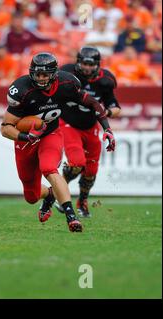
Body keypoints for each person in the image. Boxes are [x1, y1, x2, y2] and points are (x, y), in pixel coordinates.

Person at [0, 52, 116, 232]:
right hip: (24, 141)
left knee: (49, 169)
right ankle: (50, 194)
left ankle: (71, 216)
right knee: (31, 196)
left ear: (54, 73)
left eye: (45, 74)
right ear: (31, 72)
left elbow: (93, 103)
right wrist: (26, 136)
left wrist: (107, 128)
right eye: (37, 74)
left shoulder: (67, 83)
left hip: (50, 134)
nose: (41, 78)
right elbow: (6, 128)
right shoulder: (22, 89)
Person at [58, 46, 121, 217]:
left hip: (91, 126)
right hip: (68, 122)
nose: (87, 67)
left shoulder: (105, 80)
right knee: (77, 162)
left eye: (91, 64)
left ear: (98, 64)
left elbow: (115, 107)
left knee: (91, 170)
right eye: (84, 63)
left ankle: (82, 201)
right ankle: (59, 190)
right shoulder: (66, 73)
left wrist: (105, 112)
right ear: (78, 62)